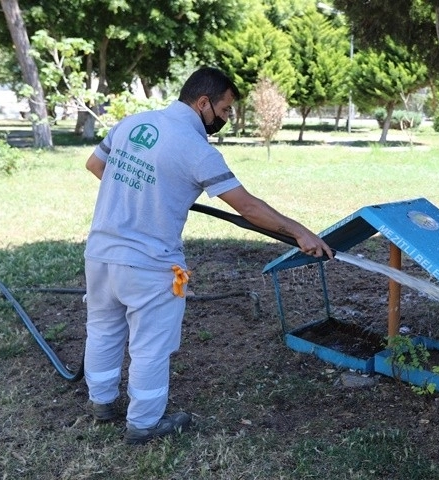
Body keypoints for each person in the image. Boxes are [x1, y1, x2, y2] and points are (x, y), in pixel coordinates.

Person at [83, 66, 332, 445]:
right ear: (203, 103)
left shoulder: (132, 123)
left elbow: (95, 165)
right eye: (225, 110)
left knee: (102, 327)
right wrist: (299, 231)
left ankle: (101, 403)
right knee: (151, 345)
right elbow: (247, 207)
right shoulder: (198, 150)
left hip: (100, 253)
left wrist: (146, 193)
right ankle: (144, 423)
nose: (226, 119)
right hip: (150, 264)